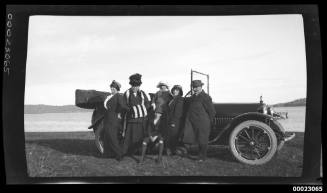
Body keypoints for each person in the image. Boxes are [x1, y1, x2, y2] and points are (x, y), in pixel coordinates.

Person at [182, 80, 216, 162]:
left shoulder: (206, 97)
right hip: (193, 122)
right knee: (192, 138)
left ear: (201, 87)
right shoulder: (192, 97)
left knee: (202, 140)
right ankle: (197, 154)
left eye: (197, 87)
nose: (195, 89)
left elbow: (212, 111)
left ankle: (202, 157)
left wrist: (209, 122)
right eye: (194, 87)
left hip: (203, 122)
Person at [122, 73, 150, 160]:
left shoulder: (143, 93)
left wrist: (141, 109)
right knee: (128, 138)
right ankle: (124, 153)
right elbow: (123, 105)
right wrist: (131, 110)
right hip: (132, 120)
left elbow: (147, 103)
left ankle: (142, 154)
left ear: (139, 86)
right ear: (131, 85)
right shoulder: (127, 93)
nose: (135, 88)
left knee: (141, 137)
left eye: (137, 86)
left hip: (142, 120)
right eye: (133, 86)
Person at [102, 80, 128, 161]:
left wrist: (120, 113)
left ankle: (119, 155)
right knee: (107, 137)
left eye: (114, 88)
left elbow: (123, 106)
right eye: (111, 88)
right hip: (107, 119)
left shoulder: (118, 96)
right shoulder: (109, 96)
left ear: (117, 89)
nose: (112, 89)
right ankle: (110, 154)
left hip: (113, 119)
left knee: (113, 137)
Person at [151, 81, 173, 154]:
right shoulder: (158, 93)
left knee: (164, 130)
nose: (162, 87)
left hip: (165, 114)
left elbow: (171, 103)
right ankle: (154, 146)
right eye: (161, 85)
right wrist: (153, 104)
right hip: (157, 113)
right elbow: (153, 100)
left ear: (166, 86)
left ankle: (166, 148)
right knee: (155, 128)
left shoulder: (169, 94)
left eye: (163, 85)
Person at [166, 85, 184, 155]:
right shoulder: (172, 99)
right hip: (169, 120)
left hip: (175, 121)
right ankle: (169, 150)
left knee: (173, 136)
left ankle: (172, 150)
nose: (175, 91)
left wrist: (173, 122)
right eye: (174, 90)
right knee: (169, 135)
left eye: (177, 90)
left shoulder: (179, 99)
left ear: (180, 92)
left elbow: (178, 112)